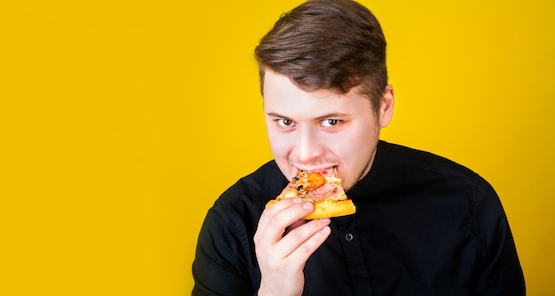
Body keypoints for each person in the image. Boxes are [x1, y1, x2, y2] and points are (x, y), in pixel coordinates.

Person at [192, 0, 525, 295]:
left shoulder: (468, 204)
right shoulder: (232, 221)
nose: (305, 154)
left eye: (331, 122)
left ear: (384, 107)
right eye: (285, 122)